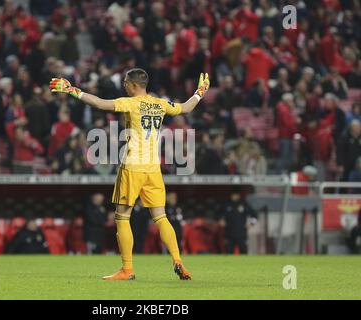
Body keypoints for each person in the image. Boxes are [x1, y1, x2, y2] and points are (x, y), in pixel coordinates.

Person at [50, 68, 210, 280]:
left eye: (126, 82)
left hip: (133, 166)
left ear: (134, 85)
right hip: (153, 169)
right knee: (161, 217)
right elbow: (187, 108)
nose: (124, 85)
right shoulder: (160, 104)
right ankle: (178, 261)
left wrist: (72, 90)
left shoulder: (131, 103)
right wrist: (200, 91)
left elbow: (99, 103)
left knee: (122, 217)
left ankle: (127, 269)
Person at [218, 187, 257, 254]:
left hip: (241, 233)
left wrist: (251, 224)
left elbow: (255, 215)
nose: (234, 196)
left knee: (243, 251)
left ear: (239, 195)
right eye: (233, 195)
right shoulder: (226, 204)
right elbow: (218, 214)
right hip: (229, 233)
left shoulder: (244, 204)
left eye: (236, 195)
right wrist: (220, 220)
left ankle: (244, 264)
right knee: (229, 251)